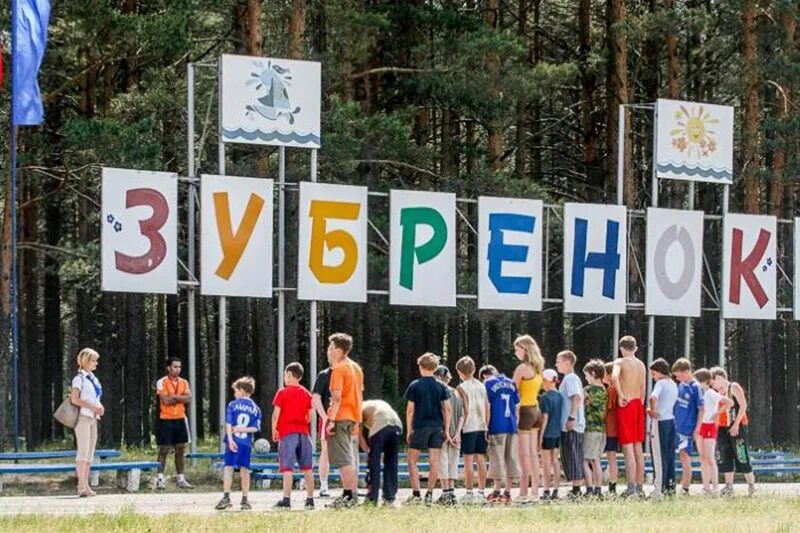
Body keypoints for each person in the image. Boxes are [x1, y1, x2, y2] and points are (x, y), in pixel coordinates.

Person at [404, 353, 451, 505]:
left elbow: (410, 409)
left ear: (420, 367)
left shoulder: (415, 385)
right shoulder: (441, 386)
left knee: (412, 460)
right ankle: (429, 494)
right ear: (435, 367)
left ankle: (416, 494)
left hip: (419, 425)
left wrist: (409, 429)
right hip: (437, 426)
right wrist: (447, 429)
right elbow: (448, 409)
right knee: (434, 461)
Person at [325, 332, 364, 509]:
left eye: (331, 347)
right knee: (348, 457)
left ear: (339, 350)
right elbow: (358, 393)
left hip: (340, 417)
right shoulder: (356, 367)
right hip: (353, 416)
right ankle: (351, 494)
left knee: (343, 459)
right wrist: (357, 419)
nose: (329, 350)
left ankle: (349, 496)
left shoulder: (339, 369)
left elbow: (338, 397)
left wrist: (331, 419)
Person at [271, 364, 315, 510]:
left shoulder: (282, 393)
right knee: (307, 468)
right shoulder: (306, 393)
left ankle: (286, 499)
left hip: (287, 432)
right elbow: (310, 416)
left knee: (288, 468)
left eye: (285, 375)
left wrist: (274, 430)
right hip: (303, 432)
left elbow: (276, 414)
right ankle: (310, 499)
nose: (285, 378)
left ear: (289, 375)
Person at [215, 377, 262, 511]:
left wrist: (230, 439)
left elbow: (229, 424)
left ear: (241, 390)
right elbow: (255, 428)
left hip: (234, 441)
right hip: (246, 443)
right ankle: (245, 499)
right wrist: (243, 430)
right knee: (245, 470)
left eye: (235, 391)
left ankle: (226, 497)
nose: (234, 394)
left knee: (228, 468)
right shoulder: (256, 408)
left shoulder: (233, 405)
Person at [710, 366, 756, 496]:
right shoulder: (717, 392)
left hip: (736, 425)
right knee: (725, 456)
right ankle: (728, 486)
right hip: (722, 427)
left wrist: (736, 424)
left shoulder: (733, 387)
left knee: (741, 454)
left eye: (713, 381)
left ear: (718, 378)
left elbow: (743, 406)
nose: (713, 385)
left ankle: (751, 486)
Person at [611, 336, 646, 497]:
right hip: (638, 404)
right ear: (635, 348)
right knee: (638, 446)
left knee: (627, 447)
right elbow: (643, 388)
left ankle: (631, 486)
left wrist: (620, 394)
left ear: (621, 348)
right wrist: (640, 402)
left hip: (626, 404)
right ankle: (639, 486)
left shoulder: (620, 362)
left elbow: (614, 377)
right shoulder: (641, 365)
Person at [511, 334, 544, 503]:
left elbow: (513, 389)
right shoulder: (538, 368)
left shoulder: (522, 368)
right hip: (535, 410)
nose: (516, 352)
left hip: (524, 410)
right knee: (533, 454)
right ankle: (535, 491)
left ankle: (523, 491)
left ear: (525, 349)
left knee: (523, 454)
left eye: (517, 349)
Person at [481, 364, 520, 505]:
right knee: (511, 459)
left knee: (497, 459)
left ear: (485, 375)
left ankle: (497, 491)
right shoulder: (511, 382)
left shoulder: (488, 383)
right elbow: (517, 405)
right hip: (511, 425)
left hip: (496, 425)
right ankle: (508, 492)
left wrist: (486, 426)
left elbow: (488, 407)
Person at [69, 348, 104, 497]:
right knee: (83, 451)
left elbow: (95, 397)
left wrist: (100, 407)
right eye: (93, 360)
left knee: (90, 452)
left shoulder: (93, 378)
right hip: (83, 417)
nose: (96, 363)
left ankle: (86, 484)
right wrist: (92, 407)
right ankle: (81, 485)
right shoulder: (79, 378)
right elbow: (74, 399)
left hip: (93, 418)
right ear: (86, 361)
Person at [155, 357, 193, 490]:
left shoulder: (184, 382)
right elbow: (165, 400)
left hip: (181, 418)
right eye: (175, 367)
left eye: (179, 367)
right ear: (168, 368)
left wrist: (174, 397)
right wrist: (180, 398)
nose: (177, 369)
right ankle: (160, 478)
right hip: (165, 418)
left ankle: (181, 478)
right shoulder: (162, 382)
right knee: (164, 449)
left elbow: (189, 398)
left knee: (180, 448)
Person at [455, 356, 489, 505]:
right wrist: (487, 425)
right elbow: (488, 406)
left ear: (459, 372)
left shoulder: (461, 388)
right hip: (482, 425)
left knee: (468, 460)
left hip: (468, 426)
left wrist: (458, 430)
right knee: (480, 459)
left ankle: (469, 492)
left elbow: (465, 409)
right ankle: (481, 492)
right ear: (474, 370)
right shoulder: (482, 386)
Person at [695, 368, 733, 495]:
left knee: (710, 458)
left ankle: (715, 486)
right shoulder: (698, 394)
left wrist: (717, 414)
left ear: (704, 381)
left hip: (710, 426)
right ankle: (706, 487)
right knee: (702, 458)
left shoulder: (711, 393)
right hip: (700, 426)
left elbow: (729, 402)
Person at [360, 399, 403, 506]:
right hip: (397, 425)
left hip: (381, 423)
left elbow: (358, 433)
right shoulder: (374, 404)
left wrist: (368, 451)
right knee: (391, 463)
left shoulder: (359, 408)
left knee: (374, 464)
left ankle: (372, 498)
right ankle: (389, 498)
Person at [672, 357, 704, 495]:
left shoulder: (695, 387)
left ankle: (685, 487)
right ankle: (677, 484)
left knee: (685, 456)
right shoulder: (681, 386)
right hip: (677, 426)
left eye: (678, 375)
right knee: (679, 456)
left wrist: (697, 428)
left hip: (687, 427)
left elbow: (702, 409)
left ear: (685, 372)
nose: (678, 379)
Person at [556, 350, 585, 500]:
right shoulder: (570, 379)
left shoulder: (570, 378)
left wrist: (572, 417)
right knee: (570, 455)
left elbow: (577, 397)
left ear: (567, 362)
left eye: (558, 361)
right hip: (572, 423)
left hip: (572, 425)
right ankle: (575, 487)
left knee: (573, 455)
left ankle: (576, 489)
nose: (556, 364)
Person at [434, 365, 464, 506]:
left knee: (443, 463)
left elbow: (443, 412)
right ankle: (451, 493)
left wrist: (445, 431)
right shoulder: (456, 393)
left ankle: (445, 493)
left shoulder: (439, 392)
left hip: (442, 432)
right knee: (453, 463)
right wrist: (457, 433)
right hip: (456, 434)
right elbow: (462, 415)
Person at [647, 358, 677, 497]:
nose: (653, 377)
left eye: (653, 374)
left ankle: (658, 488)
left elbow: (653, 397)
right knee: (670, 455)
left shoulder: (660, 383)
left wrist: (652, 411)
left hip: (660, 421)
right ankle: (670, 486)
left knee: (658, 455)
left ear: (659, 372)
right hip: (671, 420)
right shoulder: (673, 384)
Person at [582, 359, 607, 498]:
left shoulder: (588, 390)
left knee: (585, 460)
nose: (585, 378)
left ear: (592, 373)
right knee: (596, 459)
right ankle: (598, 489)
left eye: (586, 375)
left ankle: (589, 489)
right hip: (601, 428)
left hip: (590, 428)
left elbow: (582, 405)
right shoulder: (604, 389)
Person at [538, 369, 563, 501]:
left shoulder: (544, 397)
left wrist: (540, 435)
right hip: (557, 432)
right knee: (555, 461)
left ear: (547, 381)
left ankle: (546, 490)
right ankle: (556, 489)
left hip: (547, 433)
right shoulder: (560, 396)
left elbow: (545, 417)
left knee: (546, 462)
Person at [312, 354, 334, 498]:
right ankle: (324, 485)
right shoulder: (324, 375)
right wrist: (324, 416)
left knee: (349, 451)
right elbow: (316, 397)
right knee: (326, 451)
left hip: (346, 417)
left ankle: (351, 486)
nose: (331, 354)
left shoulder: (349, 372)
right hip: (329, 416)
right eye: (329, 350)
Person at [602, 361, 619, 495]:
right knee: (611, 456)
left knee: (611, 456)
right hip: (616, 427)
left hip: (610, 428)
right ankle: (613, 484)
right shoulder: (618, 388)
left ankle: (612, 486)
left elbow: (607, 409)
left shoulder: (611, 389)